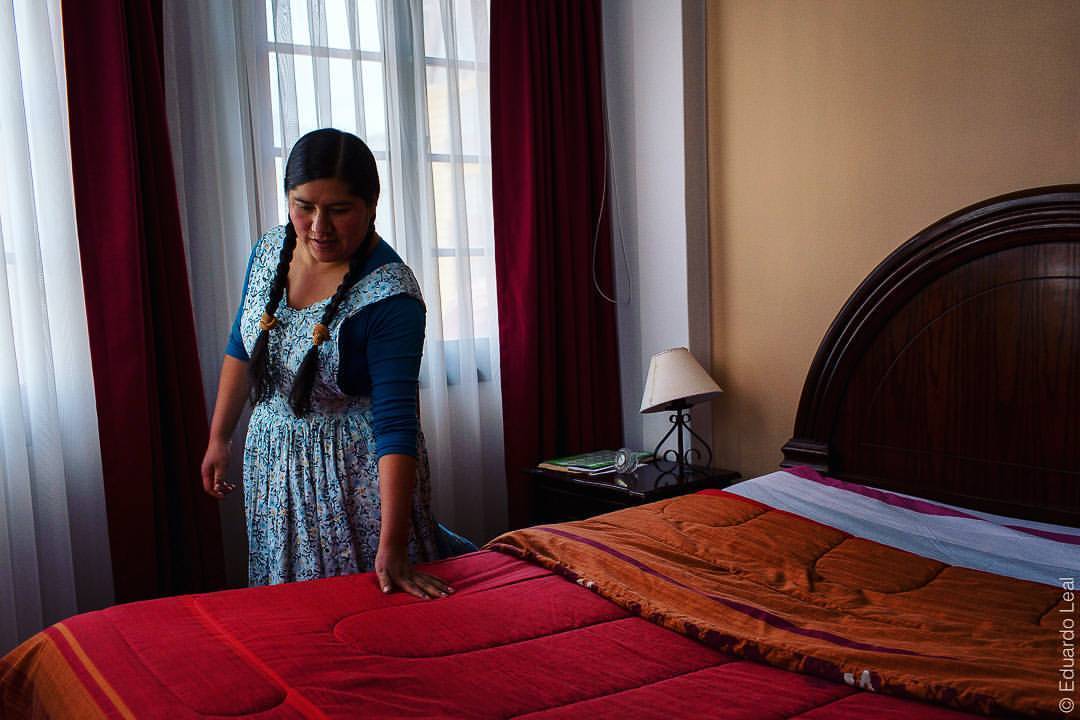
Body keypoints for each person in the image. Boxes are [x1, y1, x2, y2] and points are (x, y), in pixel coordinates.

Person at [200, 128, 470, 599]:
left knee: (362, 605)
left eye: (339, 210)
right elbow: (241, 346)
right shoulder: (269, 251)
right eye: (304, 206)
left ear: (371, 206)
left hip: (353, 476)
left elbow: (396, 422)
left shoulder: (392, 297)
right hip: (274, 461)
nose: (319, 226)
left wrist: (393, 544)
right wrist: (219, 438)